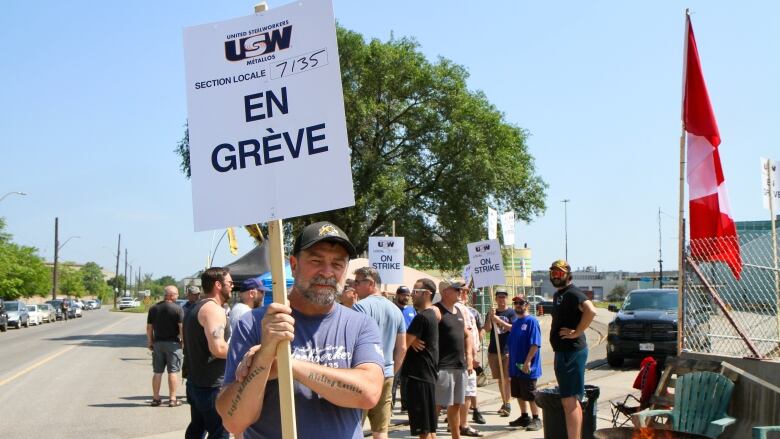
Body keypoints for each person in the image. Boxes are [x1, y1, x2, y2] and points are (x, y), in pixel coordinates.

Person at [216, 221, 384, 438]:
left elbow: (368, 393)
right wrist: (264, 357)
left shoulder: (361, 325)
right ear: (293, 265)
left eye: (337, 264)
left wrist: (287, 365)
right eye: (316, 260)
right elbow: (234, 421)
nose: (327, 272)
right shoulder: (254, 324)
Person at [352, 267, 407, 439]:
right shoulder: (396, 310)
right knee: (381, 430)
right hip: (386, 374)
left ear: (370, 283)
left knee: (354, 428)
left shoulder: (359, 308)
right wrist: (391, 370)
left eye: (357, 282)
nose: (354, 286)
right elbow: (402, 348)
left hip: (362, 376)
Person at [549, 260, 597, 439]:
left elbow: (591, 311)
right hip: (562, 352)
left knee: (570, 401)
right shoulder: (558, 295)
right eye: (553, 273)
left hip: (571, 352)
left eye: (559, 273)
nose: (555, 276)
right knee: (568, 400)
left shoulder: (573, 293)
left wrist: (577, 332)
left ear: (568, 275)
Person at [183, 267, 232, 439]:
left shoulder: (196, 307)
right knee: (220, 433)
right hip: (211, 388)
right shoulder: (213, 310)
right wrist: (244, 352)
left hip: (197, 383)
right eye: (230, 283)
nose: (232, 286)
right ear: (218, 285)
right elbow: (218, 348)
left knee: (196, 430)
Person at [436, 281, 479, 438]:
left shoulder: (459, 311)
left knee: (456, 404)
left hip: (459, 365)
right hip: (443, 366)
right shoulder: (437, 310)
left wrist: (469, 356)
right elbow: (422, 331)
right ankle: (428, 434)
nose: (460, 292)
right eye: (456, 289)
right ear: (445, 292)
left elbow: (467, 334)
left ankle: (456, 436)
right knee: (438, 404)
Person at [399, 279, 439, 439]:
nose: (411, 295)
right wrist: (412, 338)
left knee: (424, 430)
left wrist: (409, 339)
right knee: (429, 429)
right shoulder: (431, 315)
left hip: (418, 377)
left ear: (428, 293)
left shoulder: (422, 318)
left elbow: (403, 346)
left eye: (416, 291)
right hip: (427, 376)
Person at [507, 296, 542, 431]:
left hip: (528, 366)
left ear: (526, 305)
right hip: (515, 366)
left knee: (530, 393)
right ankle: (524, 417)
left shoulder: (531, 321)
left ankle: (536, 419)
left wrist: (527, 362)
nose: (518, 305)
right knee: (518, 393)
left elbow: (535, 344)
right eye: (516, 303)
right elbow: (512, 345)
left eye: (521, 303)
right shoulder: (516, 323)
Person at [146, 285, 184, 407]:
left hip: (158, 343)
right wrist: (183, 341)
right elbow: (181, 327)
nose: (178, 296)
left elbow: (149, 328)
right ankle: (172, 399)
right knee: (173, 371)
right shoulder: (178, 309)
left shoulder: (153, 309)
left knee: (157, 372)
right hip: (173, 344)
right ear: (171, 295)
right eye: (177, 294)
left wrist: (150, 341)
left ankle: (156, 398)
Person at [483, 289, 516, 417]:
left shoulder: (511, 313)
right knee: (500, 379)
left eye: (504, 297)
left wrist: (498, 320)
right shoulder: (492, 312)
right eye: (499, 297)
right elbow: (487, 329)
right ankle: (504, 402)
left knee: (506, 378)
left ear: (506, 298)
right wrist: (490, 318)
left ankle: (508, 404)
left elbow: (512, 328)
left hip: (507, 350)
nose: (501, 299)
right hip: (493, 350)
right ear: (496, 299)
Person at [458, 285, 486, 426]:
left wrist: (476, 351)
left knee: (470, 388)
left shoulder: (473, 312)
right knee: (462, 390)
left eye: (466, 291)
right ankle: (459, 421)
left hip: (471, 355)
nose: (464, 293)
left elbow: (480, 330)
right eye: (461, 291)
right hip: (462, 357)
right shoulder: (456, 309)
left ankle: (475, 411)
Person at [392, 285, 416, 412]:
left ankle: (405, 406)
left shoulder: (412, 310)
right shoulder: (391, 309)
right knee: (395, 378)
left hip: (409, 349)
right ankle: (390, 405)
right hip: (395, 349)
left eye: (407, 295)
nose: (405, 297)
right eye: (403, 295)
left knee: (407, 379)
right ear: (397, 295)